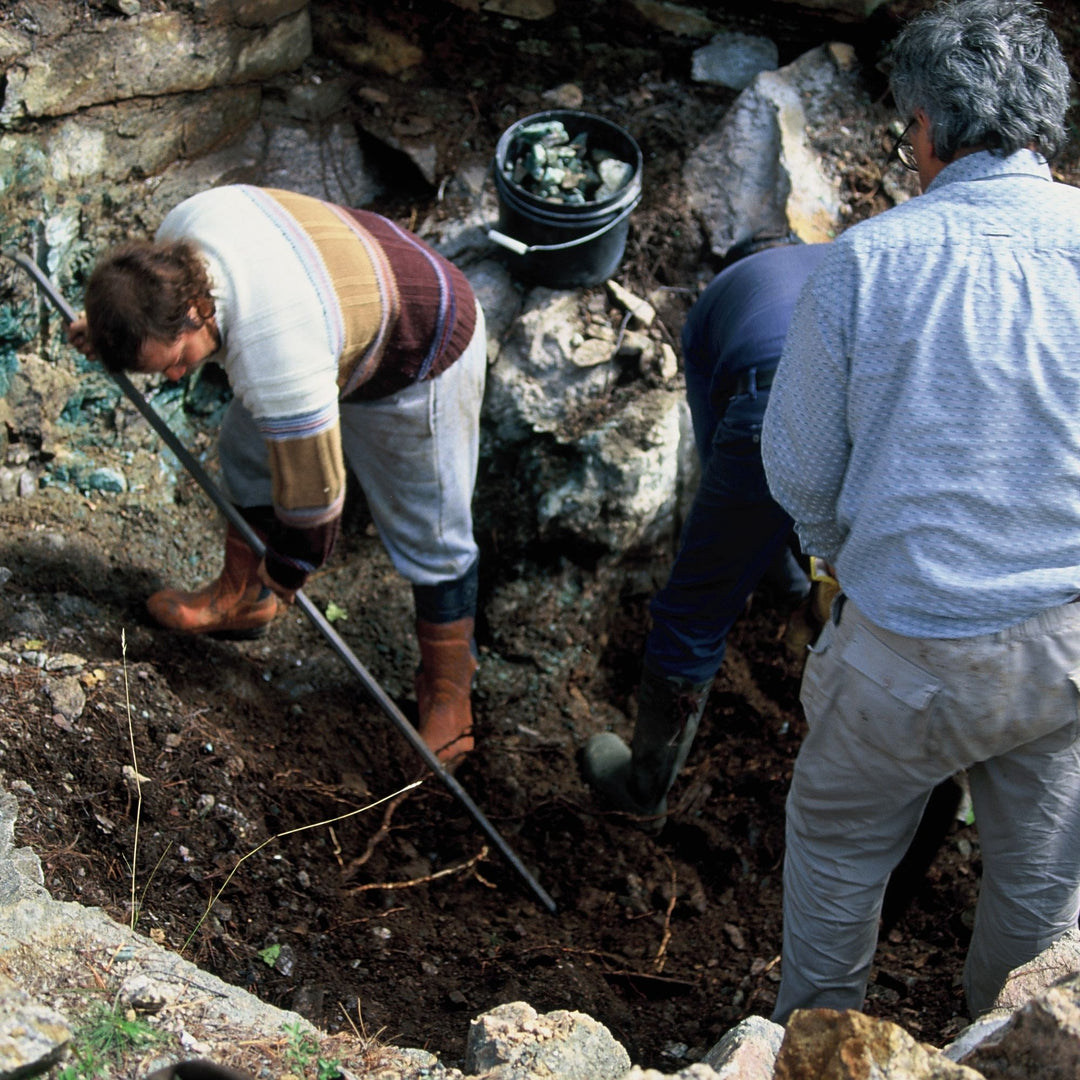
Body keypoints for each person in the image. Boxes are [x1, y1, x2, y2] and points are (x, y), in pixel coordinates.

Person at [761, 0, 1080, 1022]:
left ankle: (823, 1039)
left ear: (929, 132)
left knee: (838, 851)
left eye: (908, 129)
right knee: (1039, 884)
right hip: (1065, 646)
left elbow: (802, 469)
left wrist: (839, 561)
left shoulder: (870, 260)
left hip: (905, 648)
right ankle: (1005, 1045)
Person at [69, 185, 487, 767]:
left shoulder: (276, 352)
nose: (172, 379)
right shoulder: (178, 244)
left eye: (176, 362)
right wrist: (111, 332)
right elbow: (147, 318)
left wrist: (290, 566)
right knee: (246, 454)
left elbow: (316, 500)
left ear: (196, 309)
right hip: (336, 309)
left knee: (432, 533)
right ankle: (244, 599)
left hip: (423, 344)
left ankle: (448, 688)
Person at [580, 235, 830, 830]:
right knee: (865, 599)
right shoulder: (838, 254)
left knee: (691, 615)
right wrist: (799, 581)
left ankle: (643, 791)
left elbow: (723, 451)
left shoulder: (715, 301)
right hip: (871, 408)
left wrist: (751, 566)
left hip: (768, 405)